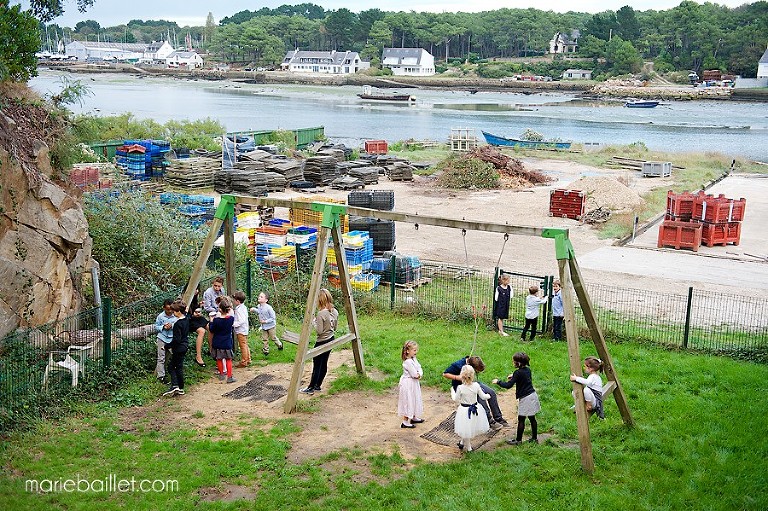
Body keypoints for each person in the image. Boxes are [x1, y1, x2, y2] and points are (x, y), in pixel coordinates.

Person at [443, 356, 508, 430]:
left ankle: (498, 418)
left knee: (491, 392)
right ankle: (489, 420)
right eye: (476, 371)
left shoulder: (472, 360)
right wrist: (458, 378)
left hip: (472, 383)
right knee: (479, 396)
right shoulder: (457, 365)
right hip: (462, 387)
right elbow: (445, 374)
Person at [492, 352, 541, 445]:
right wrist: (514, 376)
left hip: (526, 398)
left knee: (521, 419)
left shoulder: (517, 373)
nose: (513, 363)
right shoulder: (527, 370)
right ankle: (534, 438)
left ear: (518, 363)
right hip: (532, 395)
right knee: (532, 418)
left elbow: (508, 385)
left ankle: (518, 441)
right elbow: (523, 378)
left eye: (514, 361)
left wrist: (498, 382)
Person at [300, 288, 338, 395]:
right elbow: (335, 327)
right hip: (331, 339)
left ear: (320, 300)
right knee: (324, 363)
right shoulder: (335, 311)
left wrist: (314, 322)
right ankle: (318, 385)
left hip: (321, 342)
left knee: (317, 365)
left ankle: (311, 387)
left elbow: (320, 331)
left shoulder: (321, 314)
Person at [453, 365, 490, 453]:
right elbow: (483, 396)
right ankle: (463, 443)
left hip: (464, 410)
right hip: (475, 409)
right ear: (472, 375)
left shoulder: (460, 388)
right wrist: (488, 395)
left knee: (466, 428)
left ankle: (468, 447)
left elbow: (456, 399)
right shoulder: (476, 385)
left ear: (462, 375)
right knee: (467, 428)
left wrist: (452, 392)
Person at [163, 300, 189, 397]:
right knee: (179, 367)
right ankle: (180, 387)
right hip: (185, 345)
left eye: (174, 311)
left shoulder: (178, 324)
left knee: (171, 367)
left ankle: (175, 386)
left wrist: (168, 345)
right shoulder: (186, 319)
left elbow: (177, 339)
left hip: (179, 348)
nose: (173, 313)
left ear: (178, 311)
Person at [397, 340, 424, 429]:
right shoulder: (408, 362)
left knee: (415, 399)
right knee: (408, 401)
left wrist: (419, 373)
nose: (416, 352)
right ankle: (405, 421)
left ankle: (414, 417)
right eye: (414, 350)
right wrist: (419, 374)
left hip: (413, 384)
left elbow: (419, 367)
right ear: (408, 351)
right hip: (408, 384)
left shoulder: (413, 359)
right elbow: (414, 374)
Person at [209, 296, 237, 383]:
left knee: (219, 359)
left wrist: (211, 321)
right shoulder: (231, 319)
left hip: (217, 342)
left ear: (220, 309)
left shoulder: (216, 320)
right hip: (227, 342)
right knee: (228, 359)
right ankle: (229, 376)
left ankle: (221, 374)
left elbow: (212, 329)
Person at [252, 291, 283, 357]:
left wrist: (265, 321)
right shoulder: (259, 306)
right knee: (264, 338)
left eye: (261, 297)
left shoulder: (269, 308)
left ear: (266, 300)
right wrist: (254, 309)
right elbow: (259, 312)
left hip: (271, 326)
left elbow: (273, 317)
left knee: (273, 337)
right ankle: (266, 350)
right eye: (259, 296)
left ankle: (280, 345)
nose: (259, 297)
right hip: (264, 326)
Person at [154, 299, 177, 383]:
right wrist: (163, 327)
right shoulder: (160, 316)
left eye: (171, 309)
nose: (170, 311)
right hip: (162, 337)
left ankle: (174, 374)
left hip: (172, 338)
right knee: (161, 357)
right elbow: (156, 326)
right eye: (168, 309)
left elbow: (179, 324)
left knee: (173, 356)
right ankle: (161, 376)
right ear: (164, 308)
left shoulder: (176, 315)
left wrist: (172, 326)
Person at [203, 276, 225, 353]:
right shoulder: (208, 292)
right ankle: (211, 349)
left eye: (219, 286)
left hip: (221, 312)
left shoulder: (222, 291)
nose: (216, 288)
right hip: (211, 314)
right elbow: (207, 307)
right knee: (211, 329)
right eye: (215, 285)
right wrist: (217, 311)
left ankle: (221, 348)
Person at [187, 287, 208, 367]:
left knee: (210, 327)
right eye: (194, 289)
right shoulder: (184, 297)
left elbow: (195, 306)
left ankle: (212, 350)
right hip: (189, 320)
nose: (196, 291)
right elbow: (182, 312)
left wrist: (199, 305)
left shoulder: (195, 296)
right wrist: (192, 315)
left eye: (197, 289)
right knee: (202, 331)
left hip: (197, 317)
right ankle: (198, 356)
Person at [231, 290, 251, 367]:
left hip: (241, 330)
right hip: (244, 329)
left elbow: (241, 320)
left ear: (238, 301)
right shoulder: (243, 307)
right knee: (245, 344)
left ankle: (244, 361)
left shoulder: (239, 310)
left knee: (242, 345)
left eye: (234, 300)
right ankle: (248, 359)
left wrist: (234, 324)